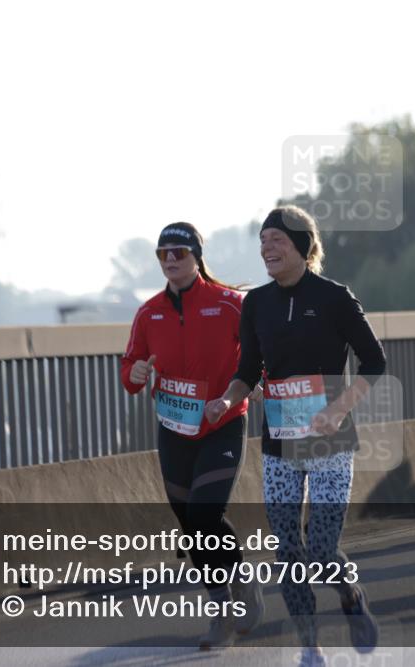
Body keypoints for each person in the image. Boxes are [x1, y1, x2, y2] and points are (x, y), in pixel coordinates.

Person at [205, 205, 386, 667]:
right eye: (262, 241)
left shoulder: (333, 297)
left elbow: (374, 362)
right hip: (280, 444)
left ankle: (349, 594)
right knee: (288, 551)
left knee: (322, 551)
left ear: (304, 246)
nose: (267, 248)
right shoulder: (257, 304)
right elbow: (247, 372)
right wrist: (229, 399)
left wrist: (338, 407)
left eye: (277, 240)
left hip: (328, 440)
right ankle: (311, 646)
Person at [120, 222, 263, 650]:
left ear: (196, 256)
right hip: (174, 429)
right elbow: (129, 371)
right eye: (162, 254)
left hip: (222, 422)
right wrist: (137, 372)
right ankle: (220, 609)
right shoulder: (149, 312)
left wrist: (245, 390)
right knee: (190, 523)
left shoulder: (229, 304)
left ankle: (240, 586)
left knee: (203, 514)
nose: (169, 261)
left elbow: (257, 359)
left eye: (178, 253)